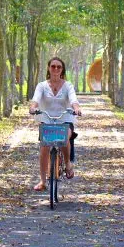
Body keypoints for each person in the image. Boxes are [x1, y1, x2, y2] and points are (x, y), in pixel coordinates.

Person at [28, 57, 82, 191]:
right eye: (53, 66)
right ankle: (42, 181)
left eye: (59, 67)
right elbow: (35, 100)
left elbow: (73, 99)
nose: (56, 69)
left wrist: (76, 108)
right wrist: (33, 107)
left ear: (62, 69)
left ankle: (68, 163)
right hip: (46, 119)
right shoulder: (42, 86)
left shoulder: (68, 85)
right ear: (48, 68)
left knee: (65, 136)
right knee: (44, 148)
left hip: (65, 118)